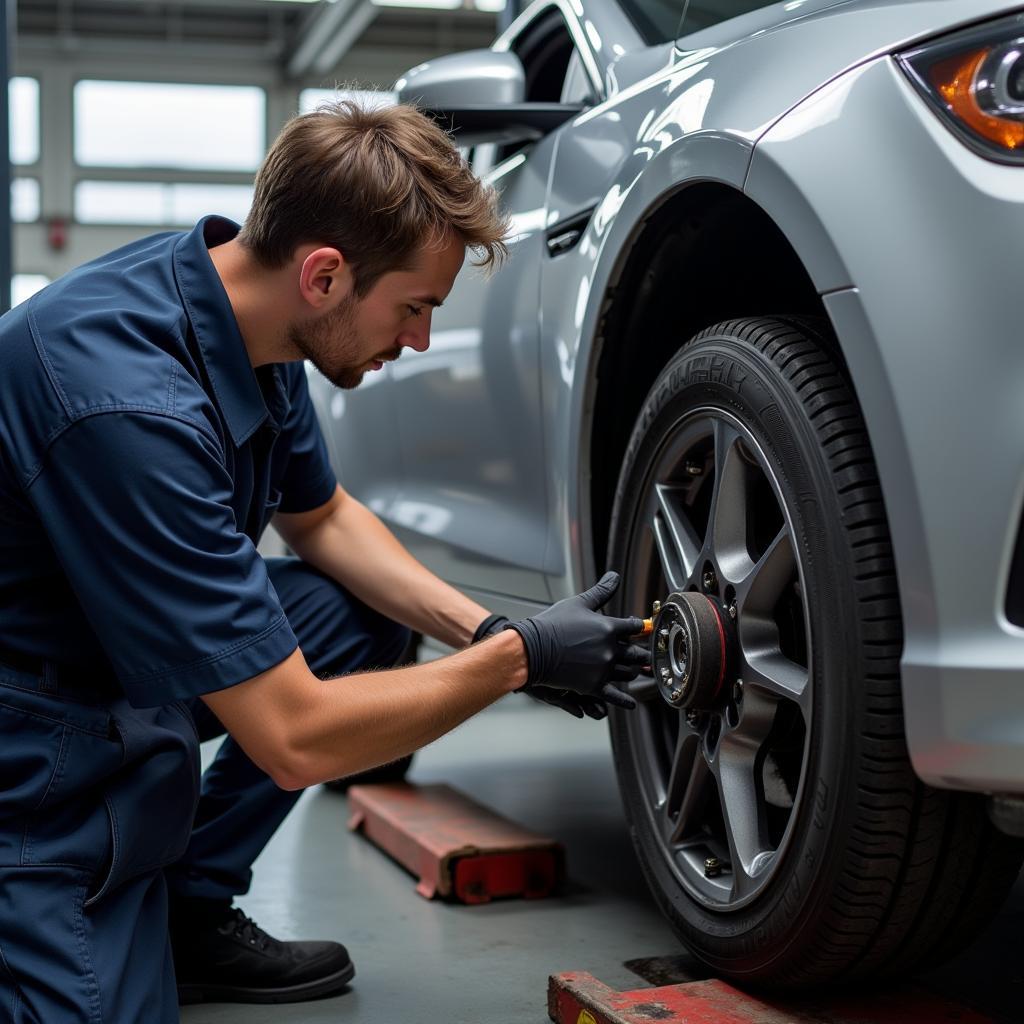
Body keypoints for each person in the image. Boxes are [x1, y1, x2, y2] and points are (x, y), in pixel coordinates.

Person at [0, 101, 646, 1022]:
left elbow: (326, 520)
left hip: (117, 660)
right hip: (33, 735)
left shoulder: (254, 324)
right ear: (326, 275)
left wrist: (486, 627)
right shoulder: (125, 401)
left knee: (359, 610)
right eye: (414, 307)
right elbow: (294, 737)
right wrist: (521, 660)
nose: (419, 340)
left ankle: (190, 906)